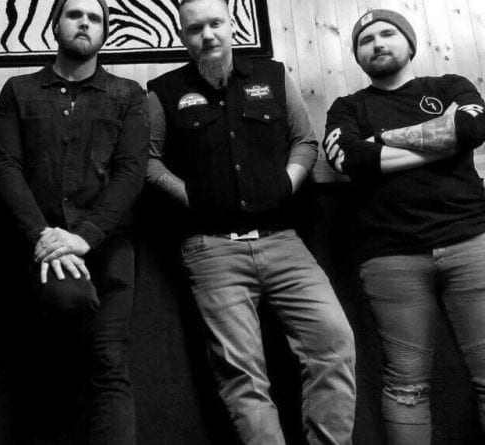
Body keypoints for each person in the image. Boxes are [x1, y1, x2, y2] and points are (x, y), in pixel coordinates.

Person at [145, 1, 357, 443]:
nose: (207, 35)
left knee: (335, 345)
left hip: (284, 242)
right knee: (242, 376)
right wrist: (191, 196)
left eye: (215, 23)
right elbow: (148, 160)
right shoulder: (162, 91)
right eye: (195, 28)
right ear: (182, 37)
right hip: (211, 249)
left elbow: (305, 141)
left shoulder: (274, 76)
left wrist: (286, 184)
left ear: (233, 25)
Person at [324, 9, 485, 445]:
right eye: (365, 39)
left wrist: (380, 141)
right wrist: (441, 141)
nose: (377, 43)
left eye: (388, 33)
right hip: (390, 257)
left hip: (471, 243)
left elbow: (471, 126)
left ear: (409, 44)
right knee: (407, 387)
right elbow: (346, 158)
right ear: (358, 55)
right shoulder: (347, 107)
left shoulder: (448, 86)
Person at [0, 0, 148, 442]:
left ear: (105, 32)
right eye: (75, 14)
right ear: (55, 25)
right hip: (41, 248)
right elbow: (6, 166)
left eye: (94, 18)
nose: (84, 23)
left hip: (109, 248)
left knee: (109, 364)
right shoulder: (18, 91)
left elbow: (131, 172)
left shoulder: (129, 94)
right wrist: (44, 236)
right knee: (48, 369)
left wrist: (85, 238)